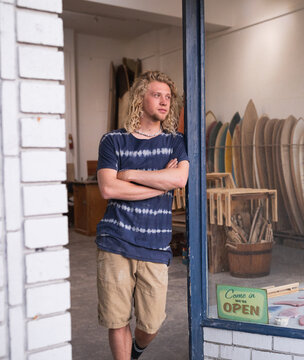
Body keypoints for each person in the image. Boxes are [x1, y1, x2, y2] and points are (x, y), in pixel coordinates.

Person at [95, 70, 189, 360]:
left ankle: (136, 351)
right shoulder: (113, 141)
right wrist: (159, 183)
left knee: (151, 323)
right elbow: (108, 188)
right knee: (117, 319)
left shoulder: (175, 141)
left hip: (155, 244)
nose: (164, 102)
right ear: (140, 98)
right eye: (156, 95)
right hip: (116, 240)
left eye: (168, 97)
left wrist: (132, 175)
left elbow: (180, 180)